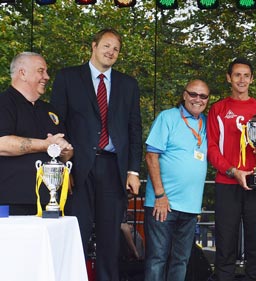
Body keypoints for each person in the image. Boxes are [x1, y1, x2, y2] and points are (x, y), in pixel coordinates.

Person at [50, 28, 142, 281]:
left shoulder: (128, 84)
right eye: (107, 46)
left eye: (116, 49)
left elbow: (135, 129)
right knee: (74, 232)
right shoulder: (68, 77)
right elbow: (57, 124)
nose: (111, 52)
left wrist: (133, 171)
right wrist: (61, 163)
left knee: (110, 238)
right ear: (93, 46)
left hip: (114, 169)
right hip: (78, 168)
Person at [207, 57, 256, 281]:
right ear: (229, 78)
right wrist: (232, 171)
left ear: (252, 79)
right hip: (227, 183)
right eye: (237, 75)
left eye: (246, 75)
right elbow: (212, 148)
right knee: (226, 242)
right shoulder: (218, 108)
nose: (242, 79)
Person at [144, 79, 210, 281]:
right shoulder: (168, 117)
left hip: (190, 207)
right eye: (193, 94)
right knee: (157, 259)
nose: (197, 99)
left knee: (181, 260)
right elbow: (151, 155)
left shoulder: (207, 123)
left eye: (203, 96)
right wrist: (160, 195)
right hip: (163, 204)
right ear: (184, 94)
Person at [0, 52, 73, 215]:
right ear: (22, 73)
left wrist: (66, 152)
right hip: (11, 201)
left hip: (51, 201)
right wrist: (46, 145)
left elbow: (62, 154)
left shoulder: (50, 110)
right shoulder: (4, 103)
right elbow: (2, 143)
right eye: (41, 71)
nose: (46, 77)